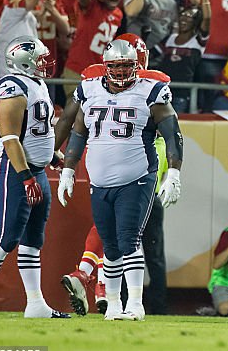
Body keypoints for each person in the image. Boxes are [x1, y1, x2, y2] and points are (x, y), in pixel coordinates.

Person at [57, 39, 184, 321]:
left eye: (127, 66)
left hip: (137, 177)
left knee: (129, 239)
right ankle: (113, 304)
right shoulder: (89, 88)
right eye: (116, 66)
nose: (122, 72)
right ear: (105, 66)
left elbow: (172, 130)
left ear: (137, 65)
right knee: (111, 245)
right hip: (100, 181)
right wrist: (68, 168)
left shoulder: (151, 90)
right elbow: (78, 131)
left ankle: (135, 304)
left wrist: (174, 171)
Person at [0, 38, 69, 318]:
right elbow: (10, 137)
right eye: (40, 58)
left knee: (33, 239)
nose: (46, 63)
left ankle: (35, 305)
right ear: (23, 60)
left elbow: (38, 130)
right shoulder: (13, 86)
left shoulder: (37, 84)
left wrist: (53, 155)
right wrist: (25, 177)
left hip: (35, 170)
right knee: (7, 237)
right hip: (14, 170)